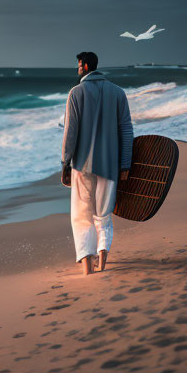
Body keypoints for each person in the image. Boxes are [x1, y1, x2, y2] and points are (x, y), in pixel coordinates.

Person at [61, 52, 133, 275]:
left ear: (84, 66)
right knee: (103, 216)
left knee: (82, 216)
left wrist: (65, 162)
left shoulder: (76, 92)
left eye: (78, 65)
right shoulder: (118, 92)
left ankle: (87, 268)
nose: (77, 69)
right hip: (110, 165)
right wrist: (125, 164)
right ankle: (102, 261)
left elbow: (70, 132)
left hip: (83, 165)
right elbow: (126, 131)